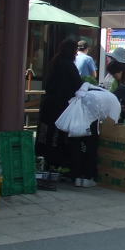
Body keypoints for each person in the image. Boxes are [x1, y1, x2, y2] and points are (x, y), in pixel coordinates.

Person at [39, 39, 85, 182]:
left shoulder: (54, 62)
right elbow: (78, 84)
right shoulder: (69, 65)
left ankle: (45, 162)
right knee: (57, 135)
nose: (77, 53)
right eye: (75, 50)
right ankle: (56, 164)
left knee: (47, 134)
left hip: (48, 104)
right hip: (61, 107)